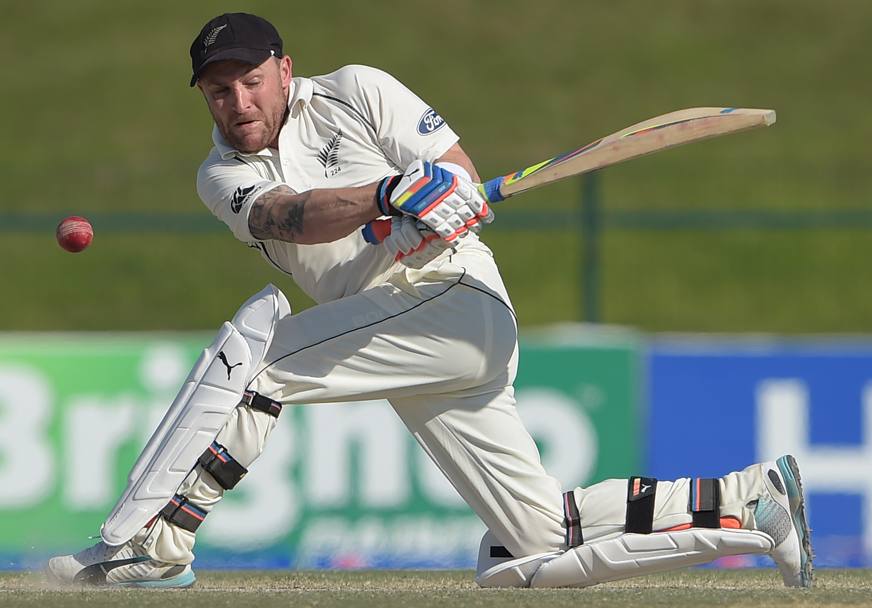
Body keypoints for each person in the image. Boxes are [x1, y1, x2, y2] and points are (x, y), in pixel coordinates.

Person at [47, 13, 812, 589]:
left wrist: (445, 195)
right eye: (220, 89)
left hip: (454, 298)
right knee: (540, 540)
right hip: (401, 337)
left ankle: (161, 544)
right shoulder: (220, 176)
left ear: (286, 70)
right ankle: (752, 498)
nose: (238, 100)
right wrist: (385, 193)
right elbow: (290, 216)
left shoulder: (357, 90)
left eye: (251, 80)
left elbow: (456, 169)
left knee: (259, 364)